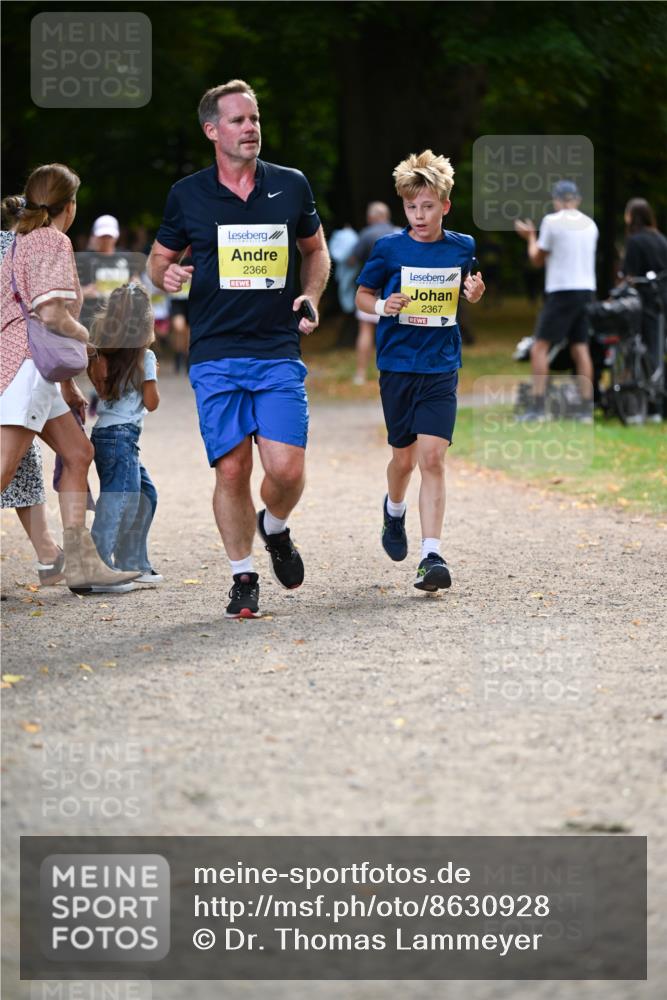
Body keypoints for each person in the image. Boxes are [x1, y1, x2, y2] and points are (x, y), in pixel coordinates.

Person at [147, 78, 330, 619]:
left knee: (287, 469)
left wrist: (311, 294)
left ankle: (273, 525)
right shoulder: (188, 194)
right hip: (216, 348)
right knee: (231, 470)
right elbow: (157, 262)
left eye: (254, 119)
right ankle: (242, 575)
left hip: (277, 346)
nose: (250, 128)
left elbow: (314, 251)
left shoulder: (291, 185)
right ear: (211, 130)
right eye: (237, 120)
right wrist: (169, 273)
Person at [0, 163, 140, 594]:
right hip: (27, 368)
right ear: (70, 204)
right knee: (2, 470)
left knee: (78, 453)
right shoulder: (53, 241)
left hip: (31, 367)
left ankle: (79, 564)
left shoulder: (20, 241)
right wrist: (93, 341)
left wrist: (66, 384)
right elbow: (51, 315)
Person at [356, 150, 485, 593]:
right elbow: (361, 296)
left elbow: (467, 288)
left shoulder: (462, 247)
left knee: (432, 458)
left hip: (441, 366)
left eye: (428, 206)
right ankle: (394, 511)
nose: (419, 215)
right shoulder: (389, 248)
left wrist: (474, 293)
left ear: (445, 205)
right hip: (397, 366)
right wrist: (380, 306)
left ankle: (431, 556)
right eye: (412, 207)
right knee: (403, 459)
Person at [1, 193, 66, 585]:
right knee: (11, 463)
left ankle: (49, 554)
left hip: (16, 363)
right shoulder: (29, 249)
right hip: (17, 362)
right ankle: (50, 553)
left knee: (23, 463)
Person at [87, 283, 161, 583]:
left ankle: (132, 560)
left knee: (145, 494)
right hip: (122, 437)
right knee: (118, 500)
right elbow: (152, 403)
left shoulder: (102, 354)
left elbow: (102, 392)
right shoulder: (145, 358)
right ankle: (96, 568)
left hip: (107, 435)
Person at [514, 180, 598, 421]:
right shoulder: (590, 225)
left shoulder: (551, 222)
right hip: (586, 291)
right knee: (580, 348)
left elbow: (537, 259)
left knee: (539, 347)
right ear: (578, 199)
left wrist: (530, 237)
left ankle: (538, 407)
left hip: (561, 291)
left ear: (557, 200)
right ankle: (585, 409)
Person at [621, 197, 667, 422]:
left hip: (642, 302)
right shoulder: (661, 239)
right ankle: (656, 405)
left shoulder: (635, 241)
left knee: (640, 349)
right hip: (662, 301)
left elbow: (627, 275)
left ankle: (644, 405)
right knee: (657, 349)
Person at [351, 202, 400, 385]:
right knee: (394, 333)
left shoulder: (366, 234)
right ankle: (392, 371)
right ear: (387, 216)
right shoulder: (399, 232)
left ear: (371, 217)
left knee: (365, 331)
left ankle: (360, 374)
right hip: (396, 294)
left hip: (369, 292)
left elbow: (353, 259)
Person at [328, 222, 358, 314]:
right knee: (347, 287)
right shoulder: (353, 235)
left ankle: (349, 310)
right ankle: (349, 310)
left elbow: (335, 254)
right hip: (349, 267)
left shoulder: (340, 235)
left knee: (345, 287)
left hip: (348, 267)